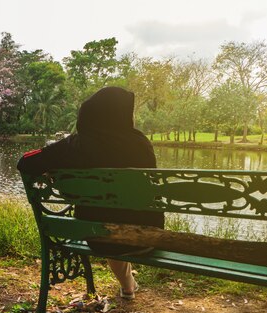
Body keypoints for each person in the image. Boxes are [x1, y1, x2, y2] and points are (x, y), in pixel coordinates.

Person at [17, 86, 164, 300]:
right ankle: (128, 287)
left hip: (98, 236)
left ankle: (128, 287)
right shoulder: (140, 143)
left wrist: (58, 167)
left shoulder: (75, 145)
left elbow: (26, 162)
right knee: (119, 221)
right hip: (146, 237)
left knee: (108, 225)